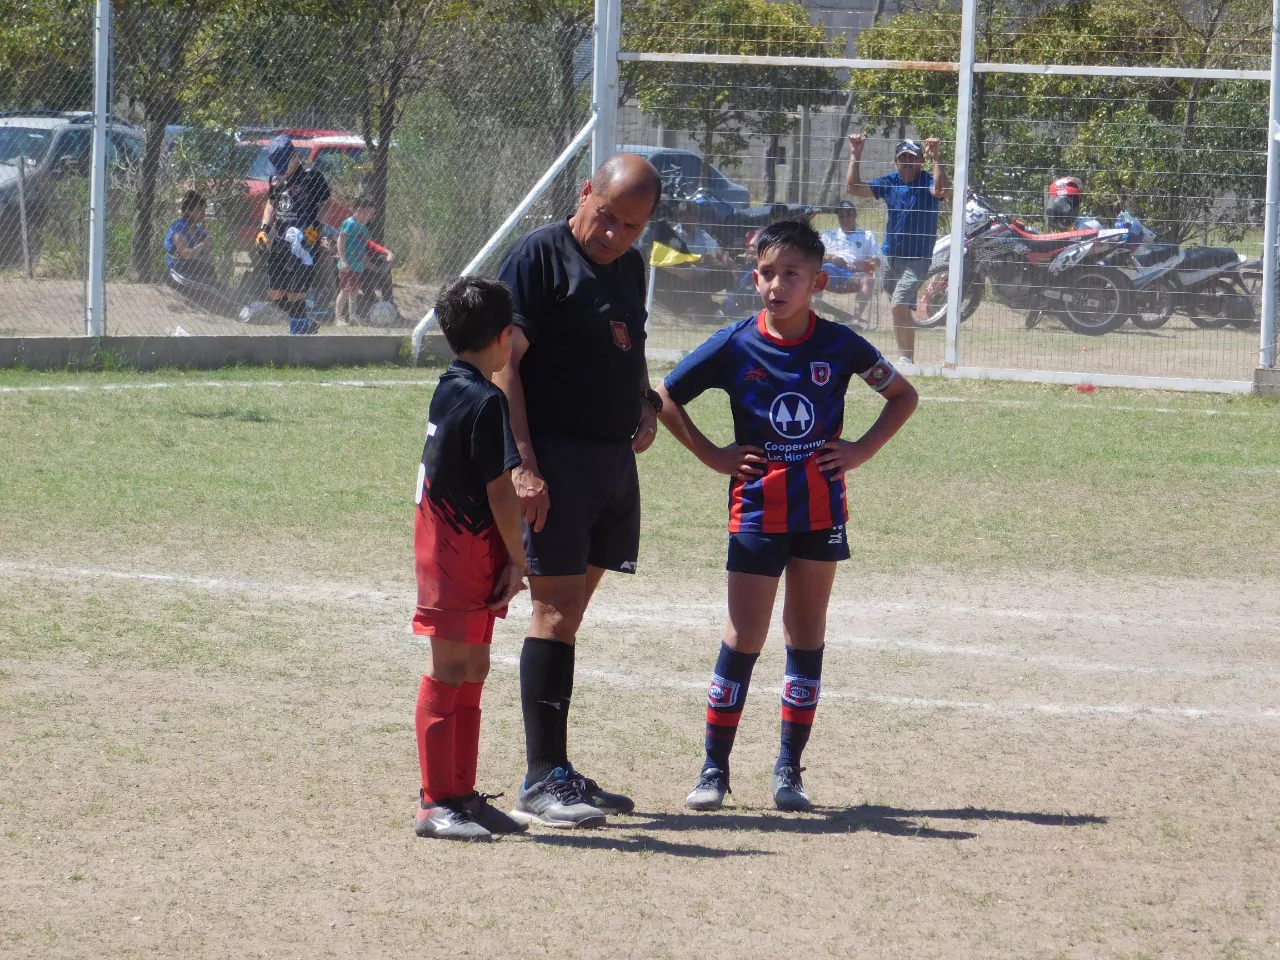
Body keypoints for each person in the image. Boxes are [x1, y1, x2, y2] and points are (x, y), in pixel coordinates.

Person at [655, 220, 918, 812]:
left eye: (792, 275)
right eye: (768, 274)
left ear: (818, 281)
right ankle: (713, 769)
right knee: (745, 634)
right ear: (756, 278)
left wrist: (859, 451)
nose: (778, 285)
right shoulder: (734, 343)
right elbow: (664, 396)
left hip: (821, 510)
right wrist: (711, 454)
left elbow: (904, 395)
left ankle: (789, 770)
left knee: (805, 634)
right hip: (756, 509)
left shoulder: (841, 345)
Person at [493, 153, 663, 829]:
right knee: (554, 610)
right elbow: (505, 367)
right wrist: (523, 463)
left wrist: (644, 402)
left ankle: (557, 768)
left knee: (571, 615)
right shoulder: (538, 256)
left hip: (611, 462)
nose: (613, 235)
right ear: (584, 191)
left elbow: (631, 343)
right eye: (606, 217)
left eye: (630, 227)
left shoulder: (629, 265)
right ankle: (540, 780)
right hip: (556, 458)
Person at [411, 276, 530, 841]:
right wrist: (518, 557)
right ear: (504, 336)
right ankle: (435, 801)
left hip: (465, 549)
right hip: (458, 552)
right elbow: (501, 491)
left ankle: (462, 792)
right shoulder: (484, 399)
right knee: (450, 668)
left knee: (474, 669)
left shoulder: (454, 384)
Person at [845, 135, 950, 365]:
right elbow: (853, 188)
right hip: (891, 256)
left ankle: (905, 358)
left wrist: (937, 158)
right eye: (903, 158)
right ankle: (907, 358)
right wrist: (856, 154)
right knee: (901, 309)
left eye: (912, 157)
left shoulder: (926, 181)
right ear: (896, 161)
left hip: (918, 258)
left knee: (897, 304)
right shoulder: (890, 182)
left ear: (921, 161)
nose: (907, 162)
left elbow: (942, 191)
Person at [257, 135, 331, 335]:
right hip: (281, 242)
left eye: (283, 166)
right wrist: (264, 229)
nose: (281, 173)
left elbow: (326, 203)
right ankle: (305, 322)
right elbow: (271, 203)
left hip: (305, 242)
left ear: (294, 157)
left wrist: (316, 227)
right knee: (275, 292)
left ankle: (298, 335)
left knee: (295, 293)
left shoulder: (311, 176)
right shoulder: (277, 179)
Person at [163, 190, 241, 318]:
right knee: (210, 287)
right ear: (189, 210)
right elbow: (187, 254)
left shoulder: (198, 228)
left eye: (204, 210)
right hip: (178, 272)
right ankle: (238, 311)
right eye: (200, 210)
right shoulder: (179, 227)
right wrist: (201, 246)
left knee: (218, 284)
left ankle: (246, 305)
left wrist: (199, 250)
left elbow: (209, 246)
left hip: (194, 268)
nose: (203, 214)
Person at [336, 195, 394, 326]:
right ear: (362, 209)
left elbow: (363, 251)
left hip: (358, 267)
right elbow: (340, 241)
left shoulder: (364, 228)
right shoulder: (349, 223)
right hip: (348, 265)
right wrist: (343, 260)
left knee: (354, 292)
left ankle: (352, 317)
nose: (372, 216)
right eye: (371, 212)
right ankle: (338, 318)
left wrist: (374, 267)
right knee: (345, 291)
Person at [820, 200, 878, 325]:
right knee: (814, 274)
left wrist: (861, 263)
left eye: (848, 215)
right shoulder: (829, 235)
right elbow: (814, 257)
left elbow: (877, 261)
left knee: (868, 279)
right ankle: (815, 317)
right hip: (830, 272)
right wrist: (832, 258)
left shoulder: (867, 235)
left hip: (853, 275)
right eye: (841, 216)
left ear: (855, 215)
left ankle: (855, 320)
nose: (845, 219)